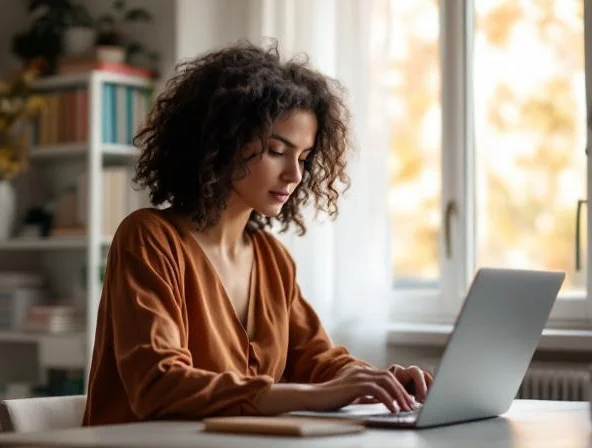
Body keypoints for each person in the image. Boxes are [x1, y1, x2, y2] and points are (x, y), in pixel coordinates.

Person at [82, 41, 433, 426]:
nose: (294, 175)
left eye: (302, 157)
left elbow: (317, 359)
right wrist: (316, 396)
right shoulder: (149, 238)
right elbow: (159, 385)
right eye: (276, 150)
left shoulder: (272, 258)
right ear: (222, 142)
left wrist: (376, 381)